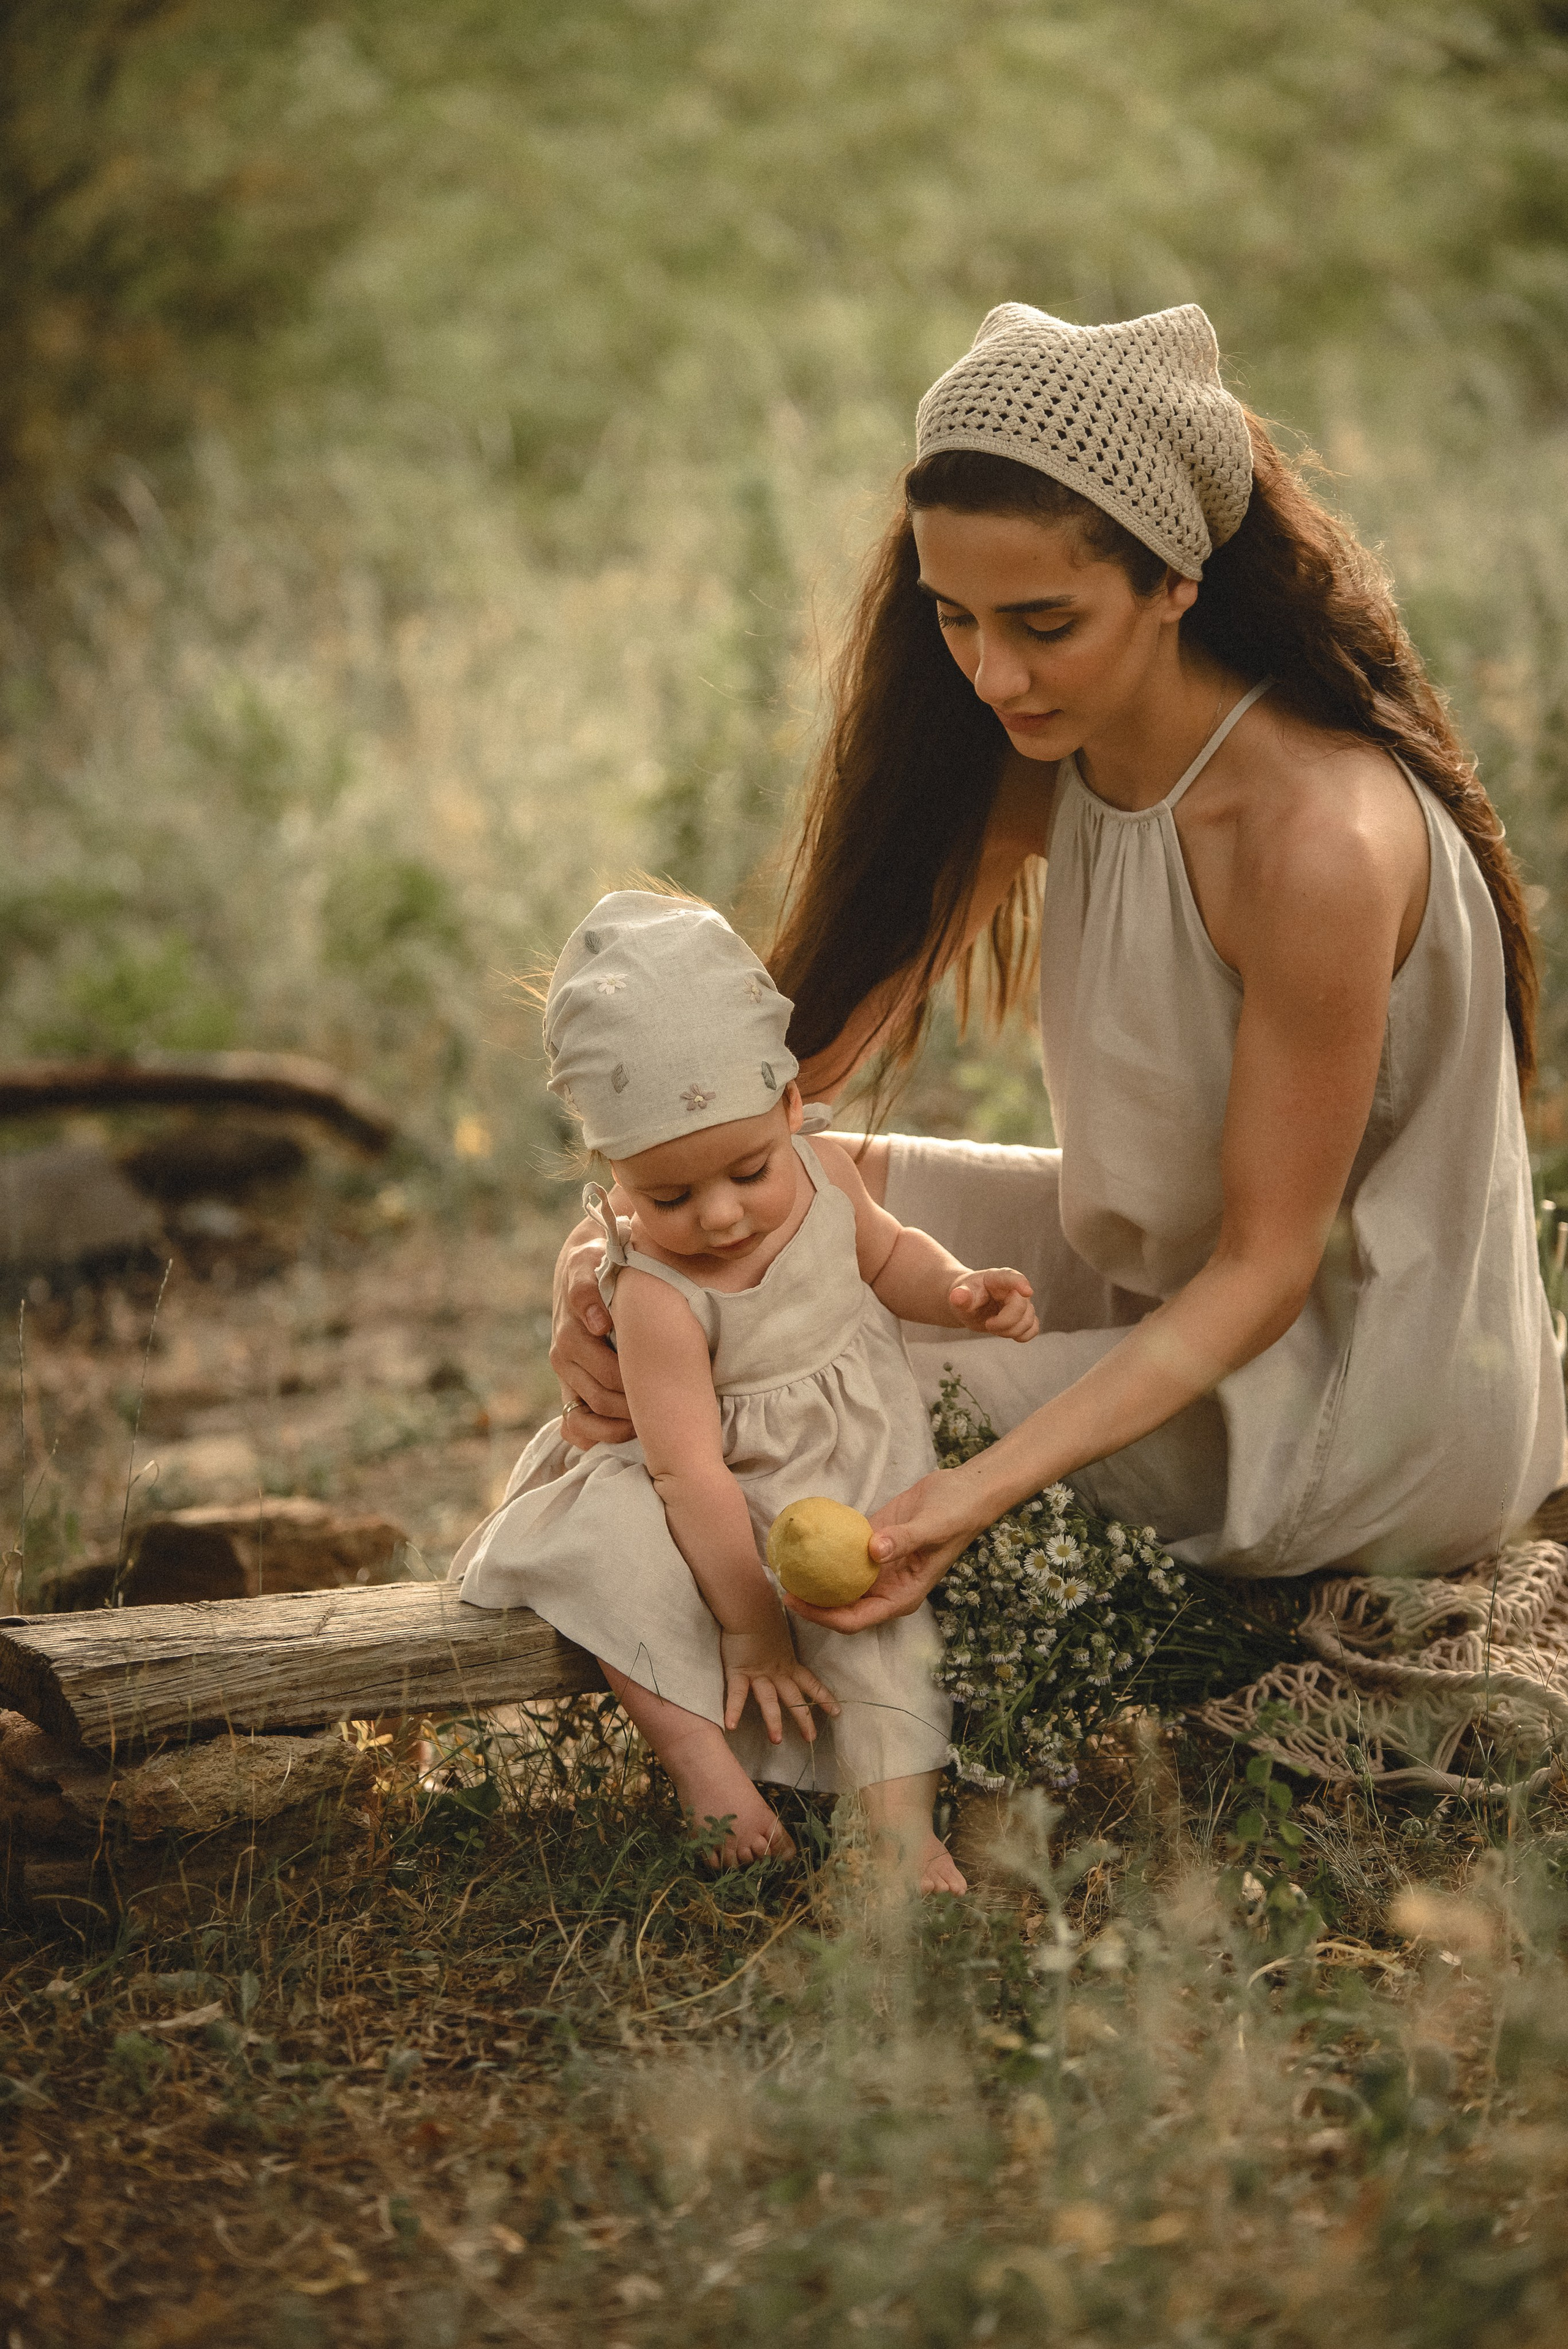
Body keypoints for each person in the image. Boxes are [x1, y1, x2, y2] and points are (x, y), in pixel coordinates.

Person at [551, 301, 1565, 1637]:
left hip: (1356, 1388)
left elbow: (1266, 1275)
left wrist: (974, 1489)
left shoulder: (1316, 841)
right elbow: (792, 1083)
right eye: (955, 619)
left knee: (756, 1399)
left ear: (1173, 582)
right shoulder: (1048, 753)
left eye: (1041, 622)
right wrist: (618, 1256)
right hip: (1176, 1283)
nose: (990, 674)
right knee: (788, 1202)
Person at [450, 889, 1040, 1887]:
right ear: (612, 1175)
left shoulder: (823, 1178)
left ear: (791, 1107)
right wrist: (751, 1627)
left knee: (879, 1625)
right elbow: (689, 1476)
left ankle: (898, 1828)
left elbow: (887, 1254)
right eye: (669, 1197)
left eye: (748, 1171)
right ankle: (706, 1770)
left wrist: (957, 1291)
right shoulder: (653, 1294)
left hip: (838, 1468)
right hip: (703, 1490)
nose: (720, 1218)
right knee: (614, 1564)